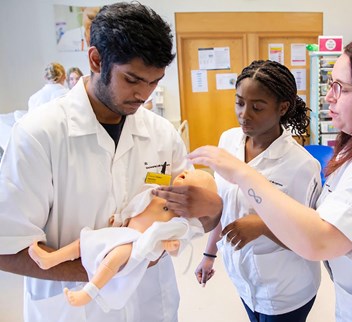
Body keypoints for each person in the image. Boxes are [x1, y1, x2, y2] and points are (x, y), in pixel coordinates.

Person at [176, 37, 352, 322]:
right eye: (330, 84)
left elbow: (318, 241)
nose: (329, 97)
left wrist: (244, 175)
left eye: (341, 88)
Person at [0, 3, 222, 322]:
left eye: (154, 82)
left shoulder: (161, 134)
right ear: (95, 60)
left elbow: (191, 220)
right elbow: (7, 247)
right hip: (73, 308)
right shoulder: (38, 135)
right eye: (132, 79)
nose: (143, 94)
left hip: (150, 306)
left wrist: (212, 209)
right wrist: (115, 263)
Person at [189, 60, 322, 322]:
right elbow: (224, 204)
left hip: (285, 289)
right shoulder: (228, 141)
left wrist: (263, 225)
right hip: (244, 280)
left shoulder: (300, 165)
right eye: (239, 102)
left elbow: (312, 241)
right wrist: (209, 254)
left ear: (282, 107)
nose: (244, 114)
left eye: (257, 107)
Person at [28, 169, 217, 312]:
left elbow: (179, 242)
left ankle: (89, 292)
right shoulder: (156, 193)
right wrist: (120, 218)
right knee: (85, 241)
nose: (183, 172)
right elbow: (136, 207)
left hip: (136, 245)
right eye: (185, 172)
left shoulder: (181, 220)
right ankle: (50, 259)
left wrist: (172, 246)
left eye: (190, 178)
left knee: (114, 257)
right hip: (123, 231)